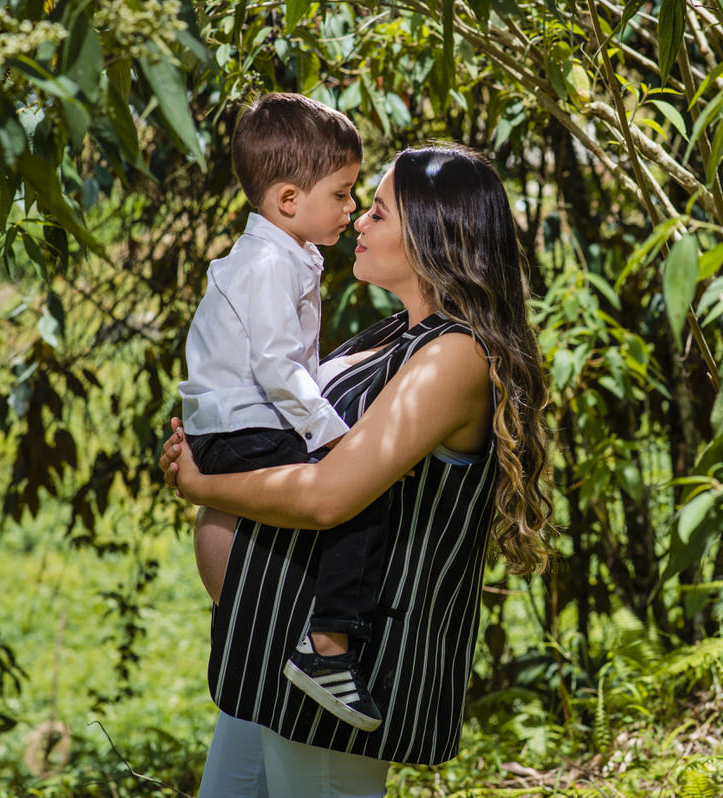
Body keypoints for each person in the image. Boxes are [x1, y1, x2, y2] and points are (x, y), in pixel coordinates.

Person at [161, 144, 553, 798]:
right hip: (272, 648)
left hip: (337, 672)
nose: (356, 225)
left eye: (376, 212)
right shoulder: (390, 335)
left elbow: (326, 496)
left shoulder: (451, 357)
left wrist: (202, 485)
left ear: (435, 234)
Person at [177, 91, 385, 732]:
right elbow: (275, 365)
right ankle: (326, 648)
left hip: (240, 422)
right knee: (355, 496)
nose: (352, 210)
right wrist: (333, 434)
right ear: (289, 200)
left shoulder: (285, 254)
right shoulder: (269, 261)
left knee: (338, 502)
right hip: (244, 425)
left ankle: (284, 647)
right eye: (344, 194)